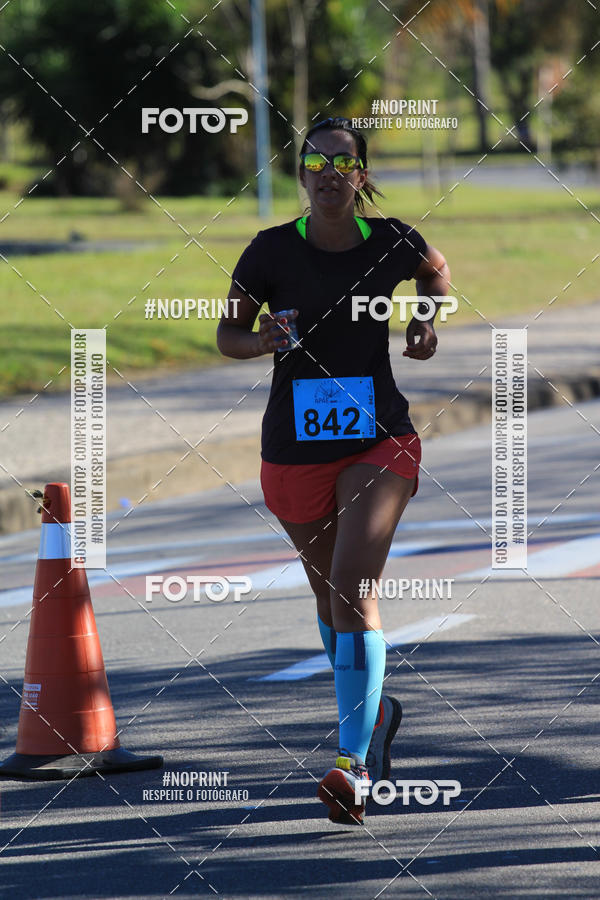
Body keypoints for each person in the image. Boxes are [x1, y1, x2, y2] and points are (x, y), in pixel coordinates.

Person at [217, 116, 451, 825]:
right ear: (301, 175)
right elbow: (227, 333)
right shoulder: (268, 251)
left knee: (353, 588)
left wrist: (425, 319)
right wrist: (260, 340)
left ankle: (353, 766)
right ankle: (374, 715)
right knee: (329, 599)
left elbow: (435, 270)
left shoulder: (389, 241)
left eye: (343, 164)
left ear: (361, 176)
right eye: (316, 163)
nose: (329, 174)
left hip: (379, 439)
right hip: (293, 450)